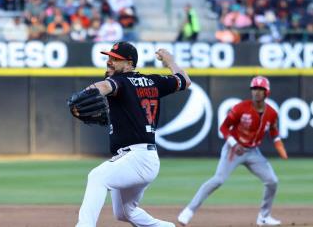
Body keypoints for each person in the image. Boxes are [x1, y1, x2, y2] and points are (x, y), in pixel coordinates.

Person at [74, 41, 191, 227]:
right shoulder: (154, 81)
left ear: (129, 64)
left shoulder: (120, 81)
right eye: (109, 57)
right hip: (141, 158)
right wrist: (170, 61)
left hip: (137, 158)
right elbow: (184, 81)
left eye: (116, 59)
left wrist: (85, 93)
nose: (110, 61)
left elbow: (104, 87)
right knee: (125, 212)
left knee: (97, 177)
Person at [178, 76, 288, 226]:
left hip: (253, 151)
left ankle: (263, 216)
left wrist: (278, 144)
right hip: (233, 149)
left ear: (266, 92)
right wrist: (234, 144)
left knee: (272, 181)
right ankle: (188, 211)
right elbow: (223, 127)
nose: (256, 92)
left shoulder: (272, 113)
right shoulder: (241, 108)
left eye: (260, 89)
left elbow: (274, 132)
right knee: (218, 180)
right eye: (254, 89)